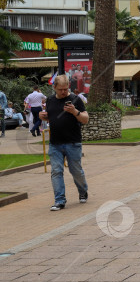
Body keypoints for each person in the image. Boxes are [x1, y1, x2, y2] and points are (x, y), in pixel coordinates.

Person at [40, 74, 89, 211]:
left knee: (76, 171)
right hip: (55, 143)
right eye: (60, 89)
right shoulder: (49, 100)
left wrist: (75, 112)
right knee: (56, 171)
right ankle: (59, 200)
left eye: (66, 89)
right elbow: (52, 117)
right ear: (54, 87)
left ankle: (83, 191)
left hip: (73, 142)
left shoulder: (75, 99)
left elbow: (85, 119)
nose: (63, 92)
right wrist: (44, 117)